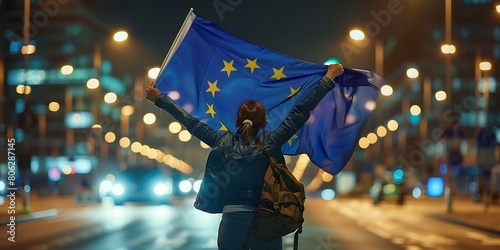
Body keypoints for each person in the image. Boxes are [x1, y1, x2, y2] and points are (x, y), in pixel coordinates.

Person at [145, 63, 344, 250]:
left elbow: (190, 122)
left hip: (232, 221)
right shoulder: (272, 142)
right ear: (264, 121)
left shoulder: (221, 141)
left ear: (237, 120)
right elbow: (300, 111)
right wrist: (328, 79)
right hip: (267, 218)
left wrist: (159, 99)